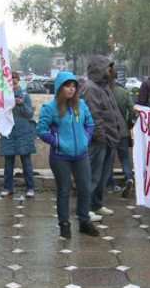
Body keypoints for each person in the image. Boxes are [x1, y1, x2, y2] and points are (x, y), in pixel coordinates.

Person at [37, 72, 98, 238]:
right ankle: (64, 224)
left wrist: (85, 139)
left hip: (81, 155)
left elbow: (90, 124)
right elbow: (41, 130)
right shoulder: (50, 108)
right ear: (60, 87)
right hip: (60, 157)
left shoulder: (82, 105)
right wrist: (58, 142)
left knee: (85, 188)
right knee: (63, 191)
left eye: (74, 86)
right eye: (67, 85)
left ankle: (84, 221)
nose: (71, 89)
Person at [79, 56, 123, 221]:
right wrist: (101, 136)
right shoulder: (91, 89)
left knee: (103, 175)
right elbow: (94, 115)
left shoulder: (104, 87)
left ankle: (97, 204)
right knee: (92, 175)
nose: (110, 71)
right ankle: (86, 208)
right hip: (99, 140)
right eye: (107, 67)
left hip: (109, 138)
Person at [0, 71, 36, 198]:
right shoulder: (3, 96)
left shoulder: (25, 96)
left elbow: (30, 114)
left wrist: (21, 104)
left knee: (26, 163)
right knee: (8, 164)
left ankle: (30, 188)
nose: (13, 81)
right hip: (9, 132)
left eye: (15, 78)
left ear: (18, 80)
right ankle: (7, 187)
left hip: (23, 133)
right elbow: (0, 114)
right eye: (10, 79)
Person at [110, 68, 136, 198]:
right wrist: (128, 123)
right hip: (123, 129)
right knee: (125, 157)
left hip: (108, 129)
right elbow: (132, 110)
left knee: (108, 158)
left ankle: (110, 183)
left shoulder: (104, 91)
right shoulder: (124, 92)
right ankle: (129, 178)